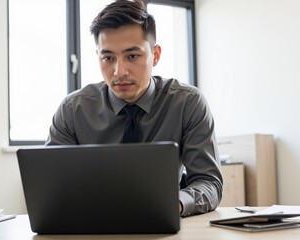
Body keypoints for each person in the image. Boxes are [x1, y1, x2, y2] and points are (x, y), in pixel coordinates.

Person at [46, 0, 223, 217]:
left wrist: (174, 203)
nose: (119, 71)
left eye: (132, 56)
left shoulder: (188, 103)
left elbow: (209, 182)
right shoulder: (72, 110)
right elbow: (50, 187)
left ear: (155, 55)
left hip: (164, 221)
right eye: (108, 58)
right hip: (93, 223)